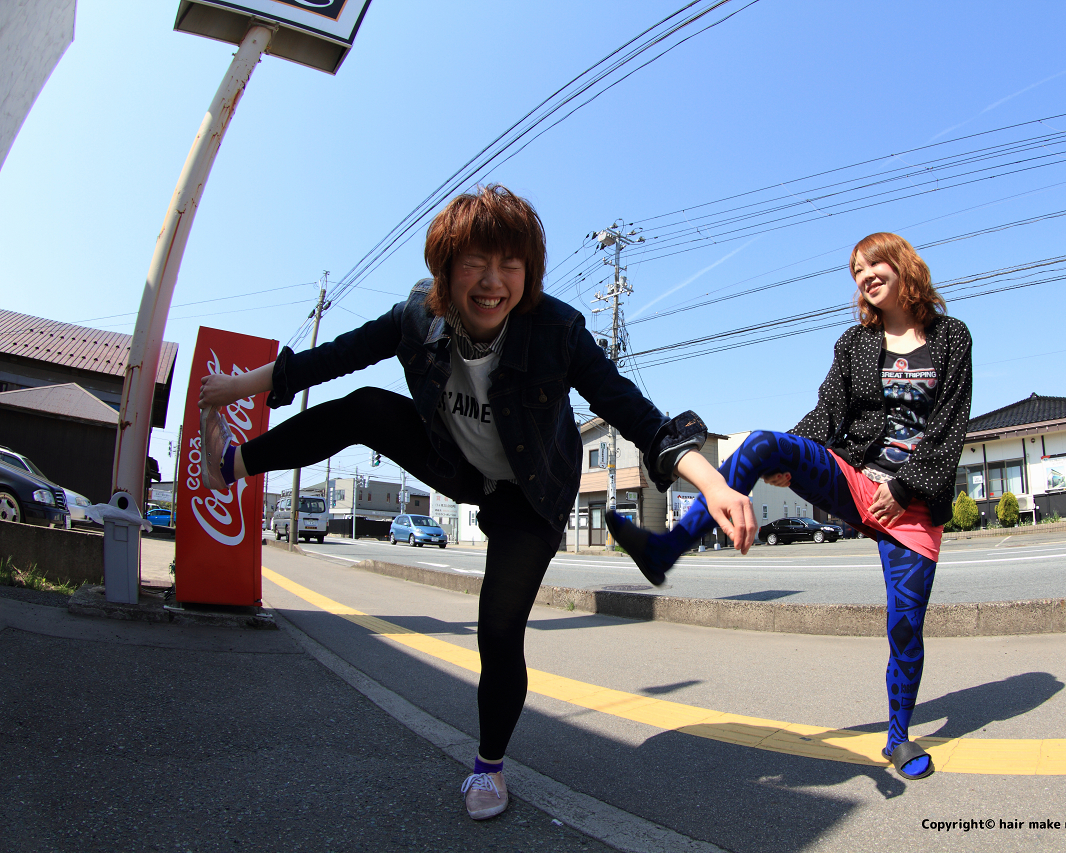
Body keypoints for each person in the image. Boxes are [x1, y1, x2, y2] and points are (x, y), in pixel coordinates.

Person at [196, 185, 757, 820]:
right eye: (475, 264)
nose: (493, 284)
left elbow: (633, 411)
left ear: (529, 273)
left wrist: (710, 482)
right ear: (445, 271)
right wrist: (235, 387)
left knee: (498, 627)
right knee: (366, 407)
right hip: (457, 465)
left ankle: (488, 767)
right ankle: (230, 466)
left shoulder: (557, 331)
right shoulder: (416, 317)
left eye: (510, 266)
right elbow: (332, 359)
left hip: (532, 494)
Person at [606, 232, 972, 780]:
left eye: (874, 264)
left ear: (903, 265)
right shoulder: (854, 343)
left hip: (912, 503)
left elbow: (950, 427)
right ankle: (668, 548)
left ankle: (898, 739)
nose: (865, 276)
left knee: (905, 627)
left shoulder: (950, 336)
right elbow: (827, 413)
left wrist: (906, 486)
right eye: (856, 270)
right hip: (855, 478)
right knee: (762, 445)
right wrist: (789, 458)